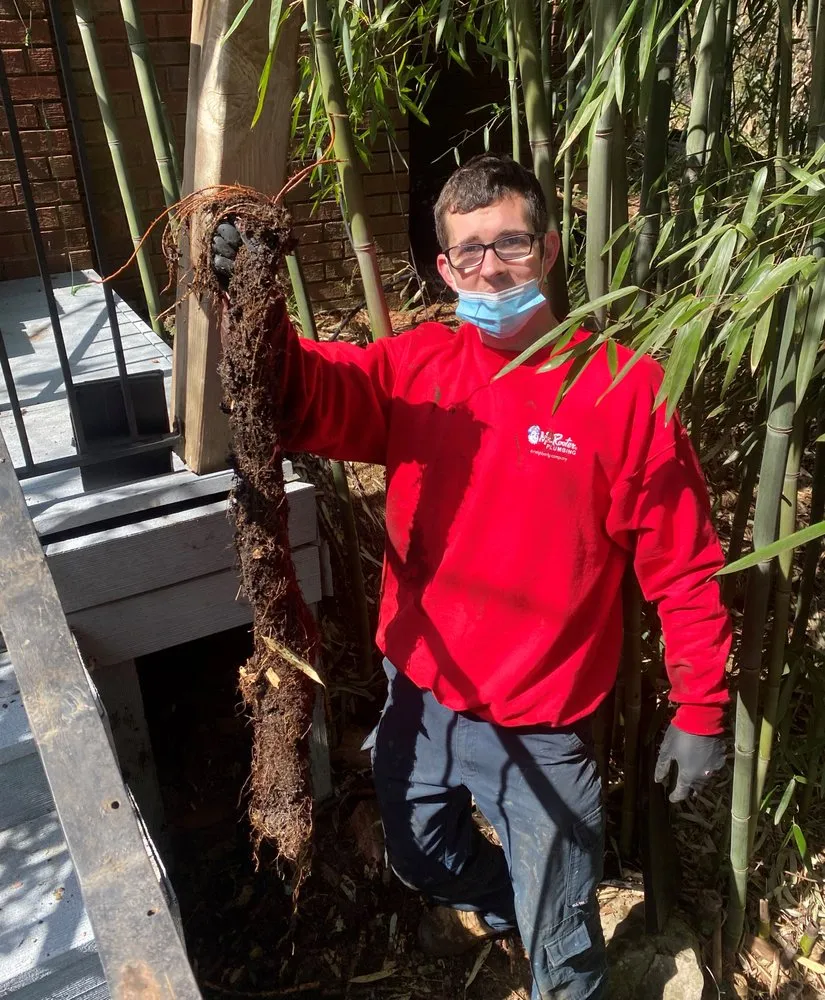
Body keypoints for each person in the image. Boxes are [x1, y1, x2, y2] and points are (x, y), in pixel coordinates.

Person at [213, 154, 731, 1000]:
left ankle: (556, 945)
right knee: (421, 856)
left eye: (510, 244)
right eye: (467, 253)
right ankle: (507, 906)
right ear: (444, 267)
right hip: (419, 689)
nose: (489, 268)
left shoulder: (624, 394)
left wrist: (701, 707)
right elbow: (311, 392)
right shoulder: (418, 368)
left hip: (543, 719)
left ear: (551, 248)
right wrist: (256, 307)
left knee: (562, 947)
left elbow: (684, 569)